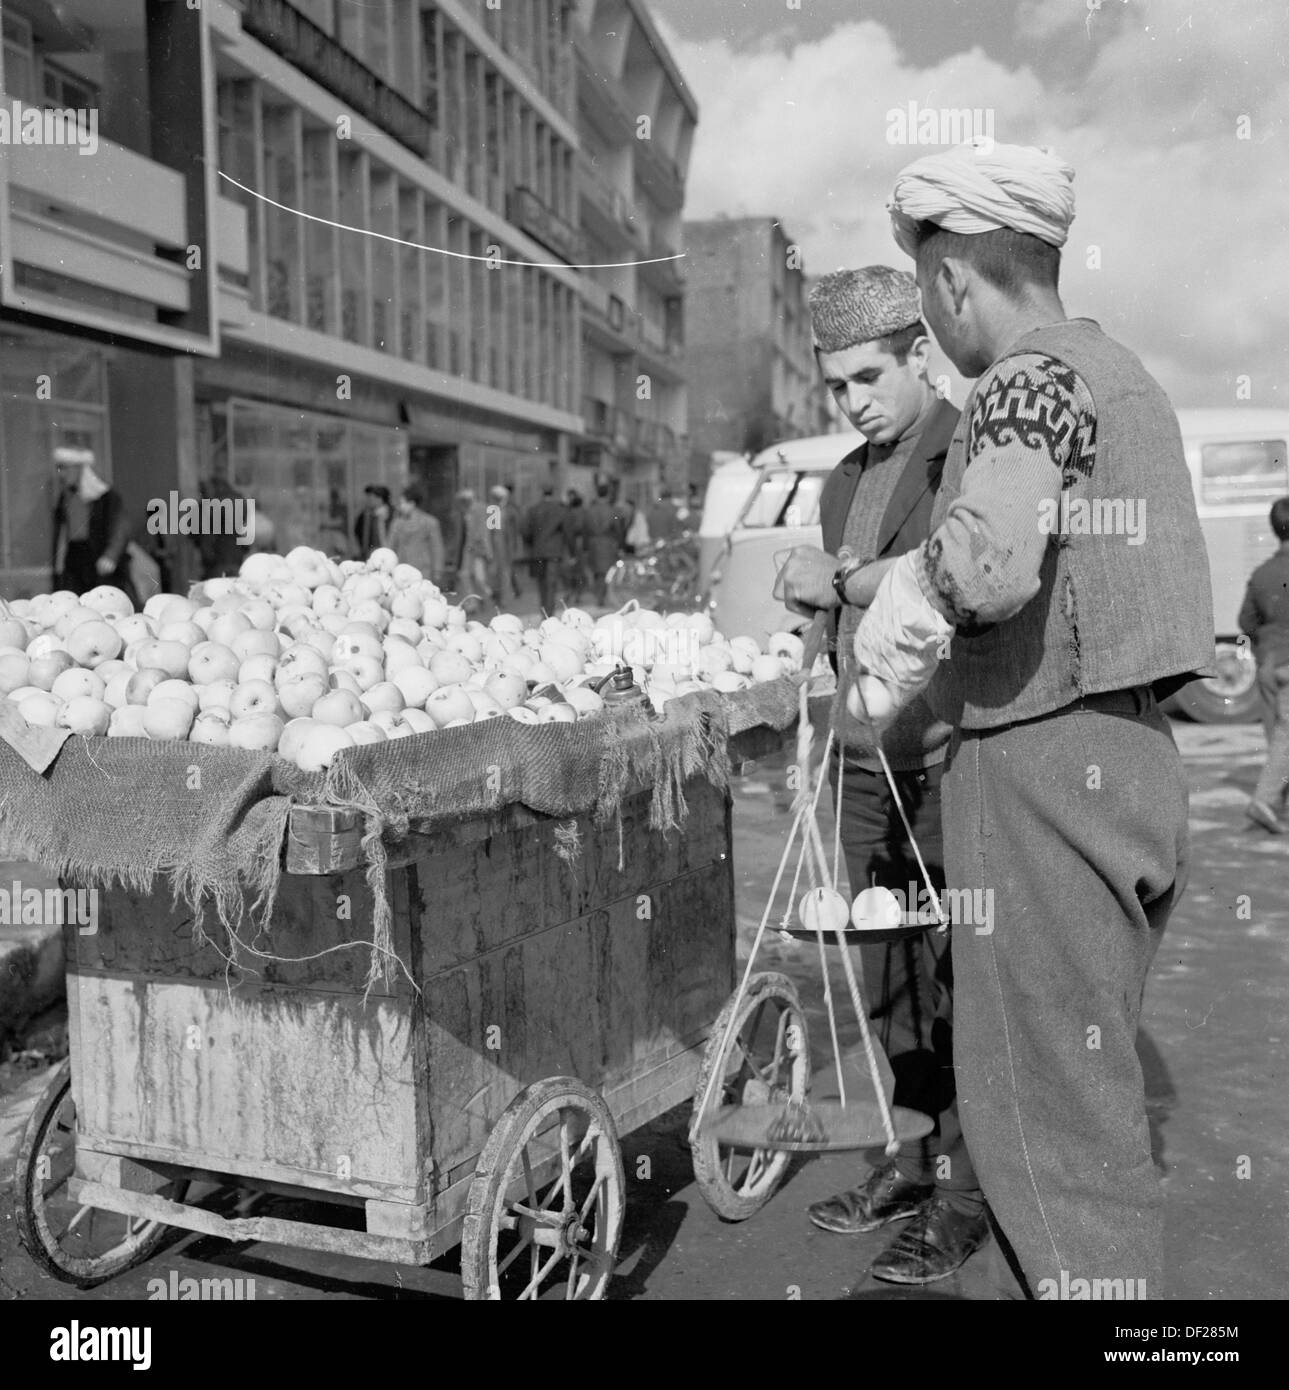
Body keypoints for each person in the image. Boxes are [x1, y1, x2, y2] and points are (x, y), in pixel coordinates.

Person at [847, 139, 1213, 1300]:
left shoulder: (1024, 377)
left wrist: (893, 623)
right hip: (1129, 756)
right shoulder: (1123, 375)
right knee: (1055, 1129)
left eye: (922, 292)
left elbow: (989, 562)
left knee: (1046, 1144)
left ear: (952, 283)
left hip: (1041, 770)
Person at [774, 266, 988, 1284]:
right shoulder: (839, 481)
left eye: (866, 376)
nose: (850, 400)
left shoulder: (969, 451)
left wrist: (839, 585)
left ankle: (963, 1194)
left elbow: (960, 595)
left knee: (959, 982)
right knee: (879, 980)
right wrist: (807, 630)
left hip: (954, 762)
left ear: (918, 354)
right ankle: (907, 1158)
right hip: (864, 764)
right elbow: (836, 615)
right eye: (833, 386)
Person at [1237, 496, 1289, 832]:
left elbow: (1245, 621)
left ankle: (1275, 805)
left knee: (1279, 735)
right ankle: (1265, 800)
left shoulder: (1261, 573)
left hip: (1270, 663)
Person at [51, 445, 138, 606]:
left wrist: (111, 555)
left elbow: (121, 525)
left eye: (65, 468)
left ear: (79, 469)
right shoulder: (65, 497)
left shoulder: (106, 496)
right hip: (75, 558)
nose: (61, 474)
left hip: (99, 556)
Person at [523, 486, 575, 615]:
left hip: (537, 552)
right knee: (552, 584)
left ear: (542, 493)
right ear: (553, 493)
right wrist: (572, 552)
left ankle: (543, 612)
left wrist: (532, 544)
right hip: (554, 552)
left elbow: (526, 532)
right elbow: (568, 533)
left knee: (541, 584)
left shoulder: (533, 509)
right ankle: (549, 614)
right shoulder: (560, 510)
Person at [386, 483, 445, 585]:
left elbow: (437, 548)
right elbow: (390, 547)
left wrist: (437, 571)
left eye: (402, 503)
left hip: (423, 570)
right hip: (401, 571)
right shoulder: (397, 524)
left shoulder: (430, 522)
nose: (400, 507)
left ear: (412, 504)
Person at [581, 483, 625, 606]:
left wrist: (585, 547)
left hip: (593, 543)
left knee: (596, 571)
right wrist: (621, 546)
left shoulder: (589, 510)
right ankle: (602, 595)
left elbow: (585, 530)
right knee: (606, 571)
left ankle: (599, 595)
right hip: (608, 543)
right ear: (608, 494)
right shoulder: (612, 510)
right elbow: (618, 529)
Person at [454, 489, 493, 603]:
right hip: (472, 548)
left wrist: (486, 550)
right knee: (473, 576)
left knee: (473, 576)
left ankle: (481, 597)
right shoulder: (472, 510)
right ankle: (480, 598)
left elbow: (482, 532)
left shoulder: (477, 510)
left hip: (475, 548)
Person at [487, 484, 522, 604]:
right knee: (498, 573)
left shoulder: (509, 510)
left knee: (504, 572)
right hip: (497, 544)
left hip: (505, 545)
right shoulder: (494, 510)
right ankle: (500, 596)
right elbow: (491, 530)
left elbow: (515, 529)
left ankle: (503, 598)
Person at [354, 485, 391, 559]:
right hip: (371, 553)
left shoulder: (392, 515)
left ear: (380, 499)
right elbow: (358, 532)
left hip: (386, 553)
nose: (369, 501)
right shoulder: (367, 515)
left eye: (372, 498)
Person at [563, 489, 588, 603]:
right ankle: (578, 594)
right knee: (579, 570)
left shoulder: (569, 512)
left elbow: (569, 530)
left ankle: (570, 592)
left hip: (571, 543)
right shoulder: (583, 512)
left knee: (571, 571)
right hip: (580, 542)